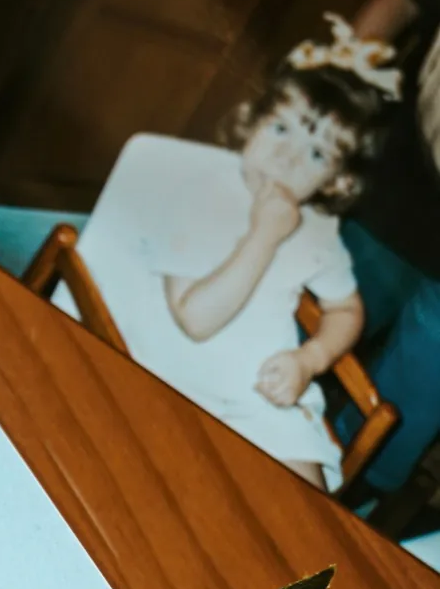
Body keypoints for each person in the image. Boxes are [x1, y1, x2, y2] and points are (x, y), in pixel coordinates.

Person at [73, 31, 393, 489]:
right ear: (250, 122)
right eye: (282, 129)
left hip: (255, 396)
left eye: (317, 153)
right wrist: (264, 234)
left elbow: (347, 308)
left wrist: (311, 358)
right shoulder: (200, 193)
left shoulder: (319, 227)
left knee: (303, 510)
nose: (287, 158)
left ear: (337, 184)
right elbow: (195, 320)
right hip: (164, 370)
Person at [338, 0, 440, 528]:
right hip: (396, 194)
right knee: (285, 337)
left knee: (390, 424)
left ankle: (334, 510)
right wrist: (329, 95)